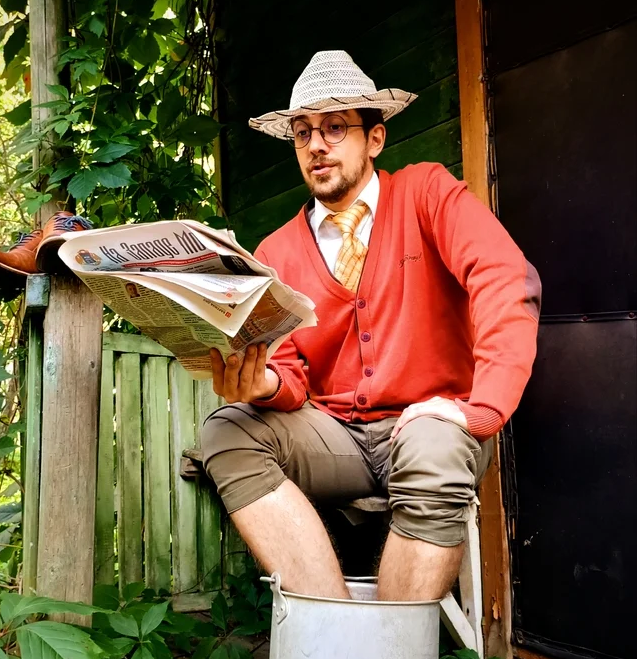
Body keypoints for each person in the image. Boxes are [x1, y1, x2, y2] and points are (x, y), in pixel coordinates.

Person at [201, 50, 541, 602]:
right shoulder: (277, 251)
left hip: (430, 423)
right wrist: (263, 384)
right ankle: (331, 629)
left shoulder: (426, 193)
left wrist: (479, 409)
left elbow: (507, 280)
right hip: (337, 437)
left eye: (335, 127)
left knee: (435, 448)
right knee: (226, 431)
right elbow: (288, 373)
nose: (316, 145)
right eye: (302, 132)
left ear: (375, 139)